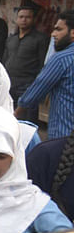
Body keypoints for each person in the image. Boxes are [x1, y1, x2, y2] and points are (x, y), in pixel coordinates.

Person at [15, 11, 74, 140]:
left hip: (63, 135)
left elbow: (36, 91)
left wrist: (15, 115)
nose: (53, 34)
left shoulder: (61, 59)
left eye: (59, 29)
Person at [2, 5, 50, 120]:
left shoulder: (40, 39)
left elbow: (43, 63)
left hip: (27, 85)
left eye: (27, 17)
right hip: (10, 83)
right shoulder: (11, 39)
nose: (24, 20)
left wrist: (36, 86)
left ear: (33, 19)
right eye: (21, 17)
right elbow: (4, 61)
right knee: (8, 118)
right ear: (17, 19)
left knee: (27, 120)